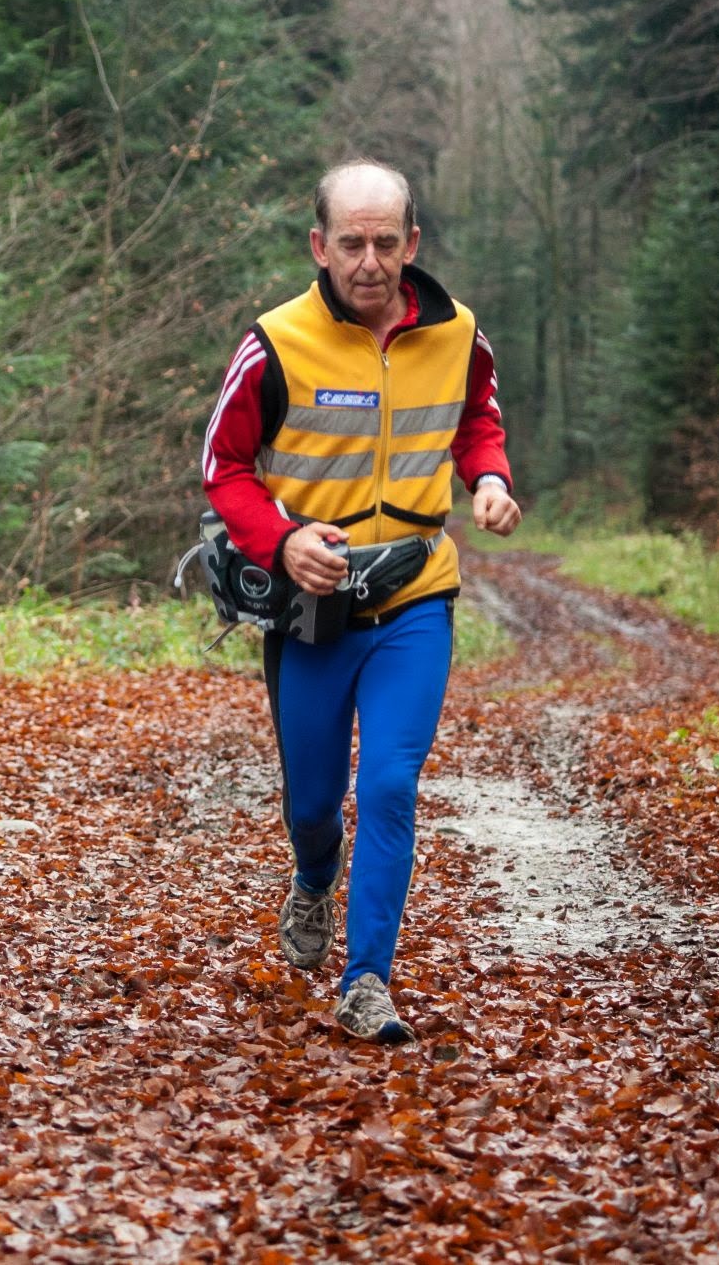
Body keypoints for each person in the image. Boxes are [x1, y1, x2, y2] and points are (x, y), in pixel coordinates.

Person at [200, 159, 521, 1042]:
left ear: (412, 243)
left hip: (417, 594)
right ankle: (313, 877)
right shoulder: (274, 342)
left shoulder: (458, 333)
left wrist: (487, 479)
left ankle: (367, 977)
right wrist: (283, 540)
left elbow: (477, 419)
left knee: (387, 783)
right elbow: (221, 469)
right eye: (351, 243)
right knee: (313, 801)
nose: (370, 260)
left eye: (386, 242)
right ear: (319, 245)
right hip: (313, 606)